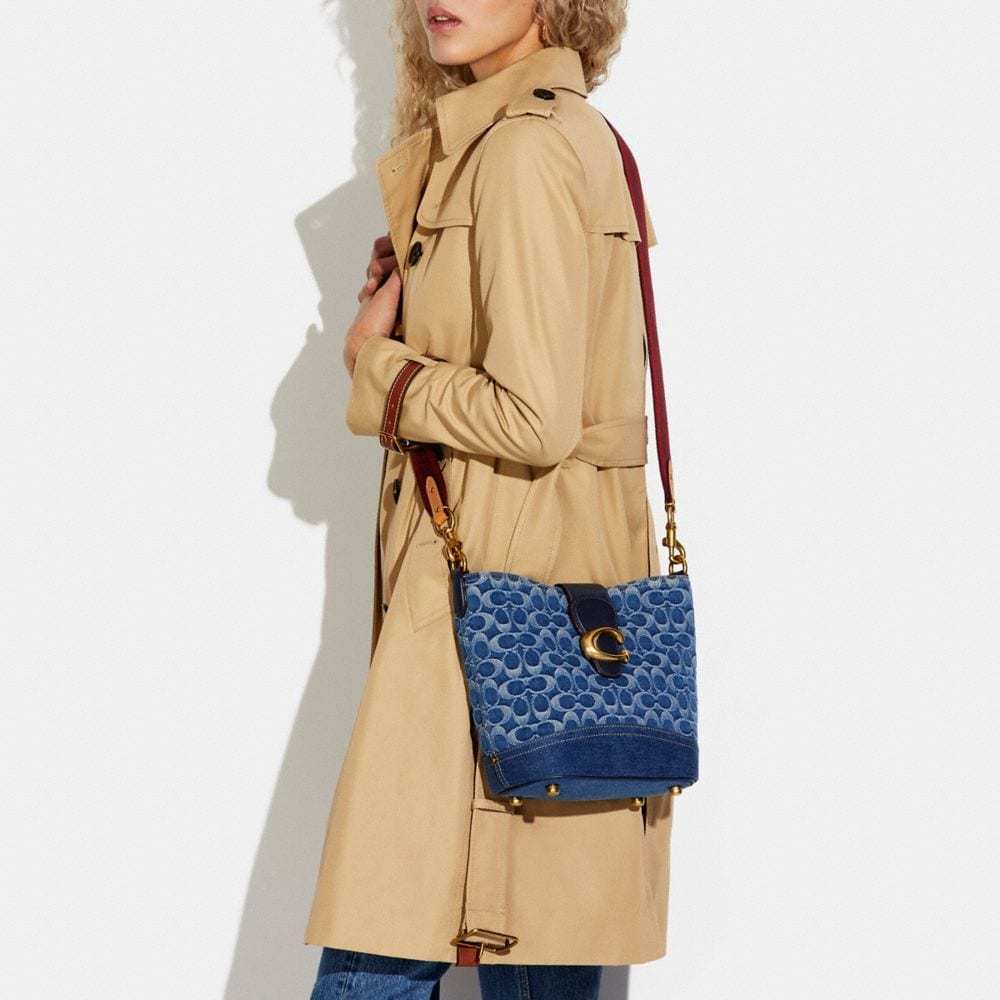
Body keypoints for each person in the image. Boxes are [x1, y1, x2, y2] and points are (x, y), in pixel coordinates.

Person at [306, 2, 676, 997]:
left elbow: (534, 419)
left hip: (491, 603)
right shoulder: (570, 137)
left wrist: (376, 364)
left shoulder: (519, 152)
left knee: (388, 931)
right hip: (561, 601)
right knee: (534, 937)